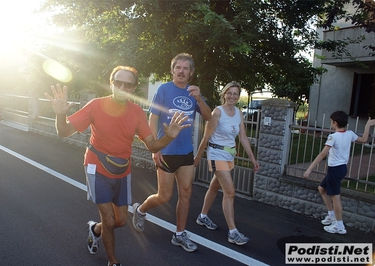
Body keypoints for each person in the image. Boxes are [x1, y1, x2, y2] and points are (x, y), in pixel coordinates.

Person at [45, 66, 190, 266]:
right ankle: (113, 261)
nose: (122, 87)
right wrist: (60, 114)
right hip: (96, 166)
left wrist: (168, 137)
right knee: (110, 221)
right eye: (118, 83)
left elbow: (152, 145)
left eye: (128, 84)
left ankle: (95, 229)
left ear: (134, 88)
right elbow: (64, 131)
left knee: (120, 221)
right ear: (111, 83)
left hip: (122, 170)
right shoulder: (95, 105)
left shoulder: (137, 112)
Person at [132, 53, 212, 252]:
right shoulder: (164, 89)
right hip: (166, 151)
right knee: (164, 196)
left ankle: (179, 234)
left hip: (186, 153)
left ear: (191, 72)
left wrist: (199, 99)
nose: (182, 71)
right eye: (178, 68)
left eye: (186, 68)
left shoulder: (194, 93)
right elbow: (153, 119)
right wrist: (155, 148)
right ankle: (140, 210)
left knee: (186, 194)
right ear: (173, 70)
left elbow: (209, 116)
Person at [193, 81, 259, 245]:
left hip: (229, 155)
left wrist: (253, 159)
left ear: (238, 96)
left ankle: (202, 217)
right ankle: (233, 232)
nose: (232, 96)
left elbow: (243, 138)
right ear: (224, 94)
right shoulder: (217, 112)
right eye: (229, 93)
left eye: (235, 94)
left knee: (215, 187)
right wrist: (197, 157)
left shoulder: (238, 113)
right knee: (230, 192)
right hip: (216, 154)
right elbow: (206, 137)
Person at [303, 111, 375, 234]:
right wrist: (367, 125)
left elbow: (323, 154)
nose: (331, 124)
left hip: (335, 170)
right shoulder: (350, 134)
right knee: (322, 188)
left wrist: (309, 169)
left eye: (331, 122)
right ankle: (331, 215)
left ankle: (339, 225)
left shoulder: (333, 137)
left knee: (336, 197)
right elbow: (364, 139)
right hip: (341, 168)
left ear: (335, 123)